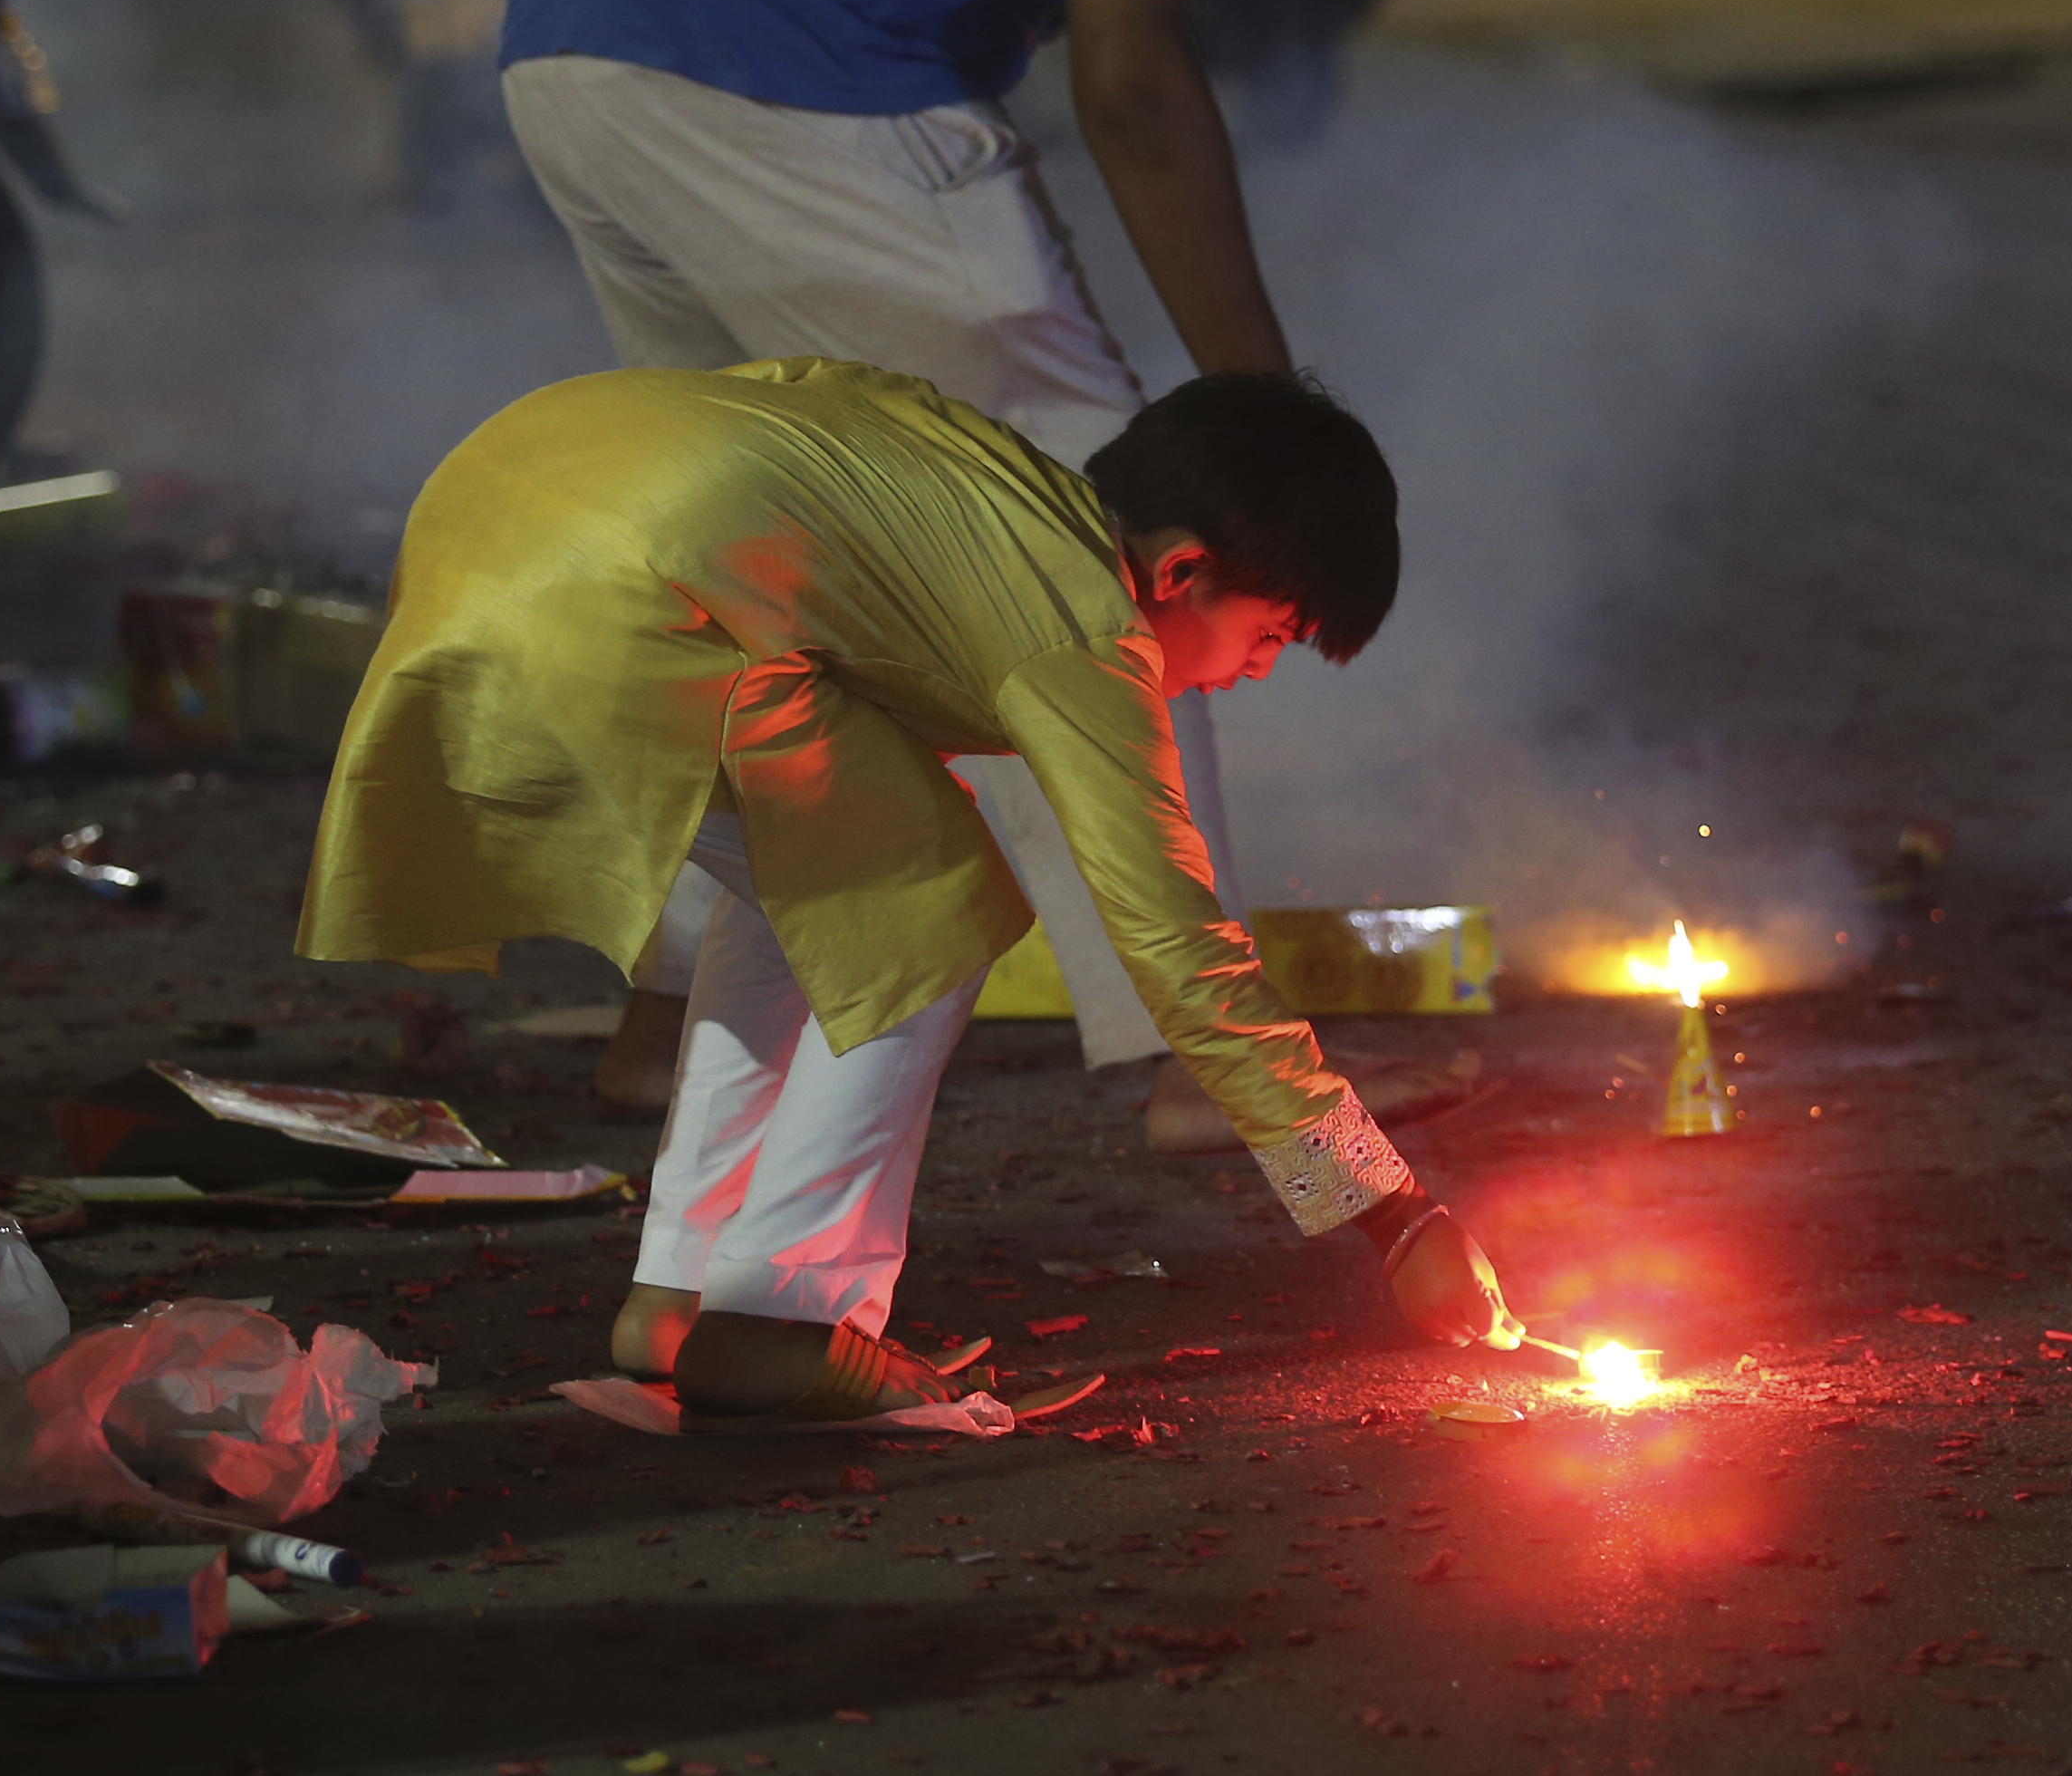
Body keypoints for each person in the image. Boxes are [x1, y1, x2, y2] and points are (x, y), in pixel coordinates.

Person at [495, 0, 1470, 1156]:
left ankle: (669, 1020)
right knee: (1115, 542)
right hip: (786, 76)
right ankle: (1211, 1065)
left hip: (571, 65)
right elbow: (1139, 86)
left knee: (762, 578)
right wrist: (1271, 424)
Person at [294, 359, 1524, 1419]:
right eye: (1268, 638)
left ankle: (682, 1294)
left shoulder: (994, 487)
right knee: (932, 901)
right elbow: (1183, 953)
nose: (1254, 676)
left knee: (823, 885)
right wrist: (1393, 1214)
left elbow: (806, 396)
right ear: (1181, 569)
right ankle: (781, 1318)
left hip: (499, 516)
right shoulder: (1083, 627)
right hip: (616, 608)